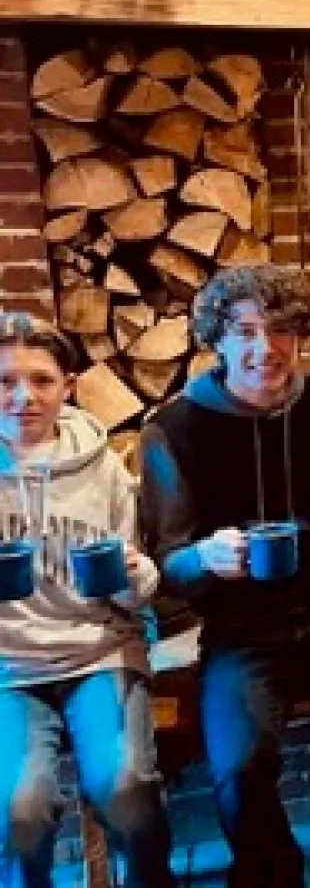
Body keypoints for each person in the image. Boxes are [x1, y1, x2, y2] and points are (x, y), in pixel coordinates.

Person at [139, 265, 310, 888]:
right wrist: (206, 558)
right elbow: (166, 564)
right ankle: (271, 870)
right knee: (237, 767)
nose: (265, 348)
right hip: (242, 632)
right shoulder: (174, 428)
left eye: (282, 330)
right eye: (244, 331)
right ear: (219, 337)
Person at [0, 313, 175, 888]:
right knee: (22, 814)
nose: (23, 396)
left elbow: (140, 594)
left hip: (99, 655)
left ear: (68, 386)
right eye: (5, 381)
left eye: (42, 380)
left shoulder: (104, 469)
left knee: (128, 791)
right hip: (9, 671)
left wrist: (133, 573)